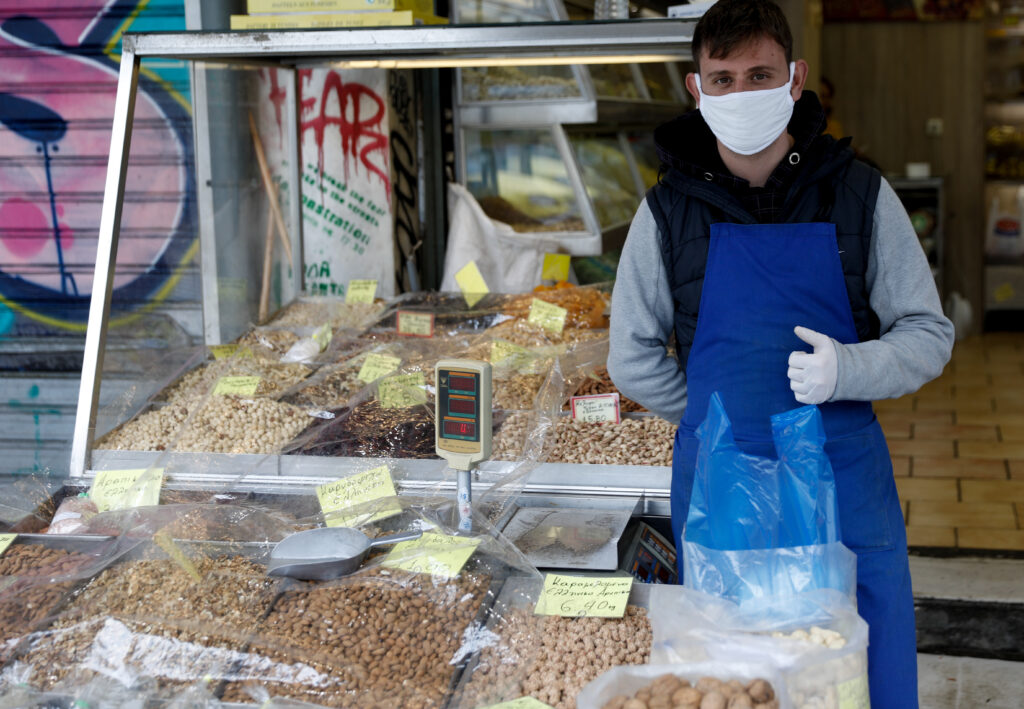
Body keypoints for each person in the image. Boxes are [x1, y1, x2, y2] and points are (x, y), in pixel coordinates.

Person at [607, 2, 954, 708]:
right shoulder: (666, 212)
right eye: (723, 79)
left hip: (841, 480)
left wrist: (848, 370)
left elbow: (928, 331)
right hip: (721, 488)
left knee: (857, 665)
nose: (741, 92)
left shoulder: (860, 195)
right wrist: (712, 412)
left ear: (795, 79)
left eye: (759, 75)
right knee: (733, 677)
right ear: (696, 88)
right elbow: (631, 357)